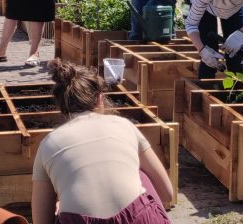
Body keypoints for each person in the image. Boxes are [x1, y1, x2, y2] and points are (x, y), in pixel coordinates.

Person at [31, 60, 173, 224]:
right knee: (141, 174)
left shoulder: (48, 144)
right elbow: (166, 193)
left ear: (61, 106)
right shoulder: (124, 125)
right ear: (100, 98)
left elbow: (41, 220)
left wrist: (62, 208)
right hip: (138, 218)